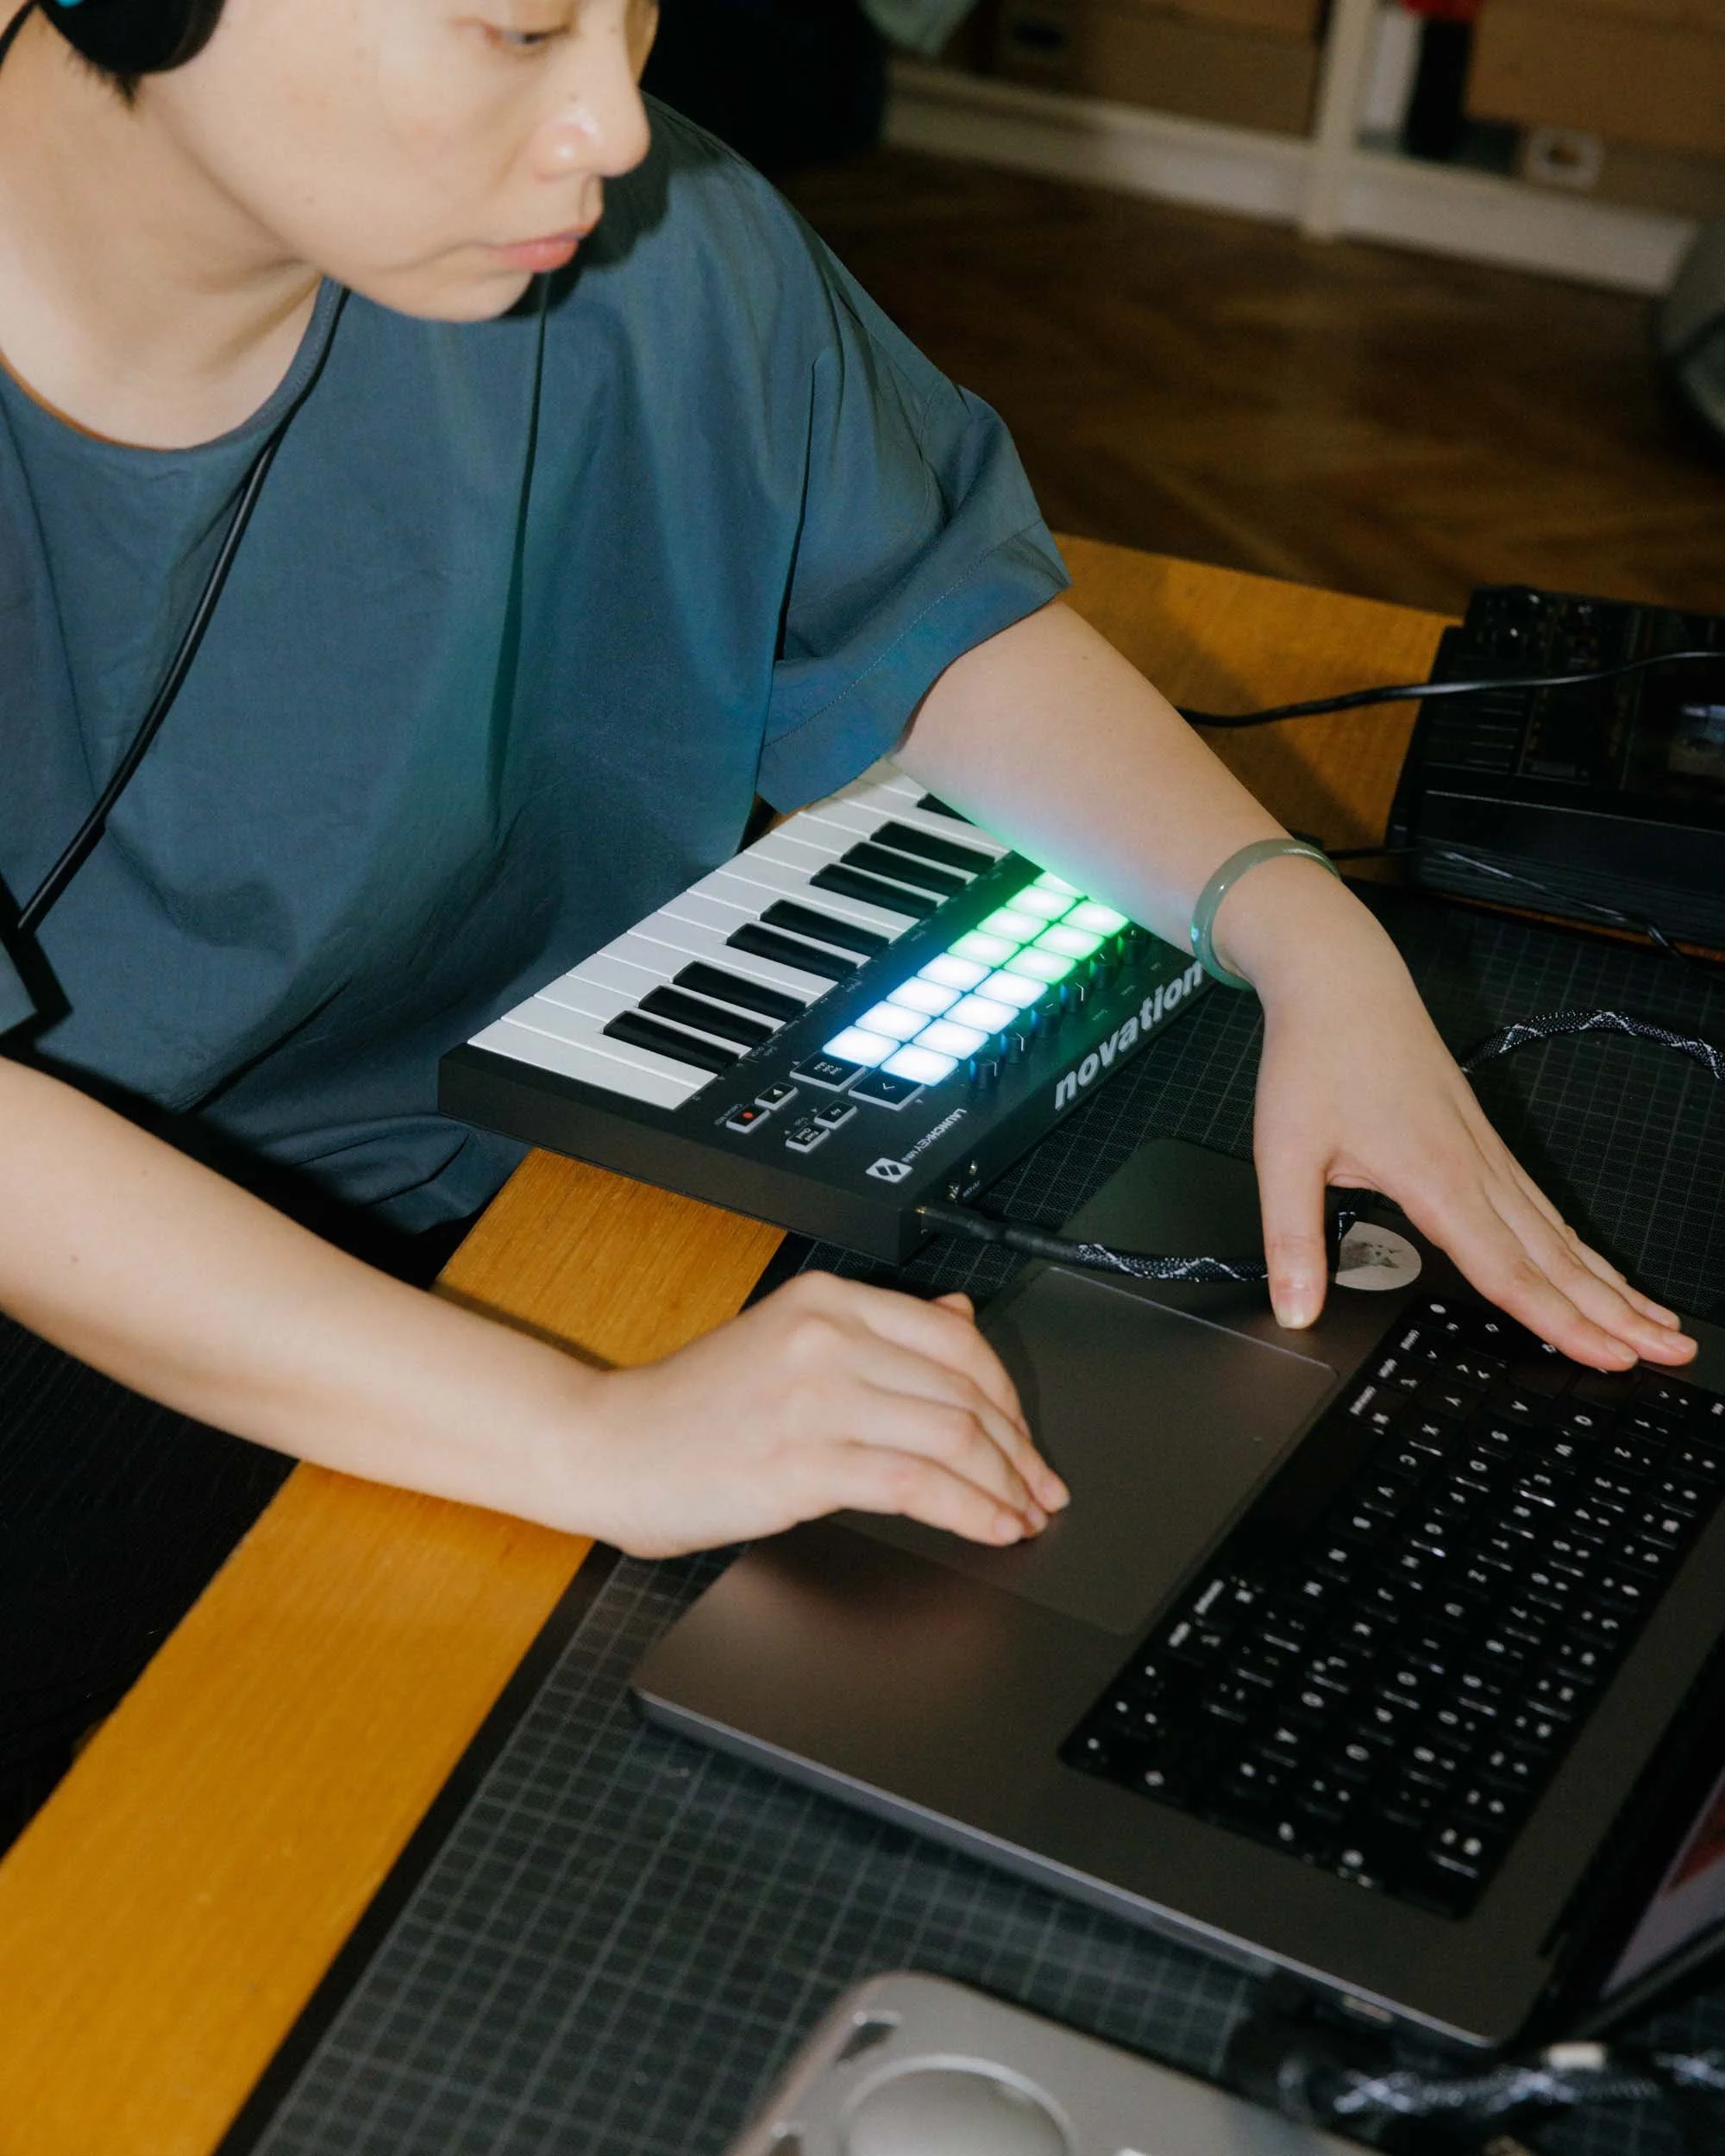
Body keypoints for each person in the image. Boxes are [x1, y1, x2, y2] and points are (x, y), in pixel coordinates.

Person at [0, 0, 1694, 1572]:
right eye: (519, 25)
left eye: (631, 7)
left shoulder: (643, 247)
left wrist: (1298, 931)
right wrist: (594, 1437)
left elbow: (927, 616)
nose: (609, 120)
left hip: (542, 1194)